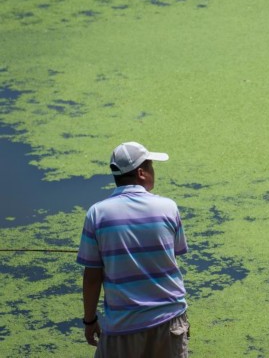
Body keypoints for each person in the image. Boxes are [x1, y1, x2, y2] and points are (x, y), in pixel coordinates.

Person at [76, 141, 189, 358]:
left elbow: (92, 276)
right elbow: (172, 253)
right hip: (169, 321)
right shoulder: (168, 207)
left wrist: (90, 320)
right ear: (141, 173)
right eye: (151, 166)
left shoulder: (97, 214)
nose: (153, 171)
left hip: (122, 327)